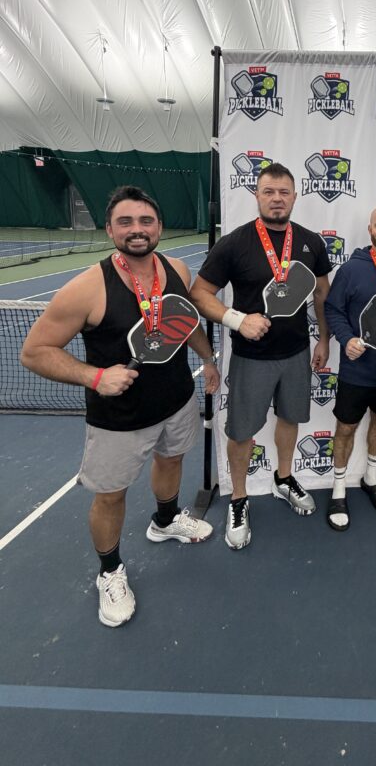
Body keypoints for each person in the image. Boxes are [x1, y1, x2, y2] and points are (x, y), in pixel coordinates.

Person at [20, 186, 220, 628]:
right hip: (119, 420)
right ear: (109, 229)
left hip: (176, 400)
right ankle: (109, 571)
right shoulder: (86, 288)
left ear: (159, 228)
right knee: (110, 497)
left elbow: (183, 323)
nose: (137, 230)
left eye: (145, 221)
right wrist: (95, 376)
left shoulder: (177, 269)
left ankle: (165, 520)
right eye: (125, 222)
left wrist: (207, 359)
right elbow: (34, 351)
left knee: (172, 462)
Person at [190, 163, 331, 551]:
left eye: (284, 192)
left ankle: (284, 479)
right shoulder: (235, 243)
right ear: (256, 195)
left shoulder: (310, 242)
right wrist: (236, 319)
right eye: (269, 191)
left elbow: (321, 293)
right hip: (251, 358)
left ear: (295, 196)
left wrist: (324, 340)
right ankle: (238, 498)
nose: (277, 199)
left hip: (298, 354)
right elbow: (198, 294)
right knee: (241, 432)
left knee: (290, 419)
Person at [323, 205, 376, 530]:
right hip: (356, 370)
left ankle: (371, 476)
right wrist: (346, 339)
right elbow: (333, 309)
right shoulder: (351, 269)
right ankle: (339, 486)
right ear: (369, 229)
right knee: (345, 428)